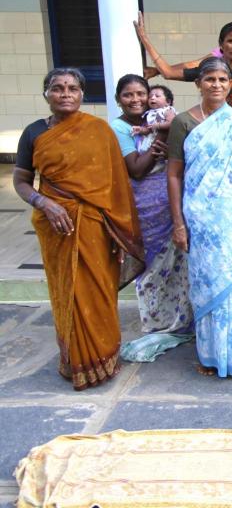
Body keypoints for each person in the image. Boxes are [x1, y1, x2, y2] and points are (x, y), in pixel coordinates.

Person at [13, 68, 142, 390]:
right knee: (66, 291)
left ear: (83, 94)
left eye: (72, 88)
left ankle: (104, 356)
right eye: (58, 88)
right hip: (55, 224)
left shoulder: (98, 130)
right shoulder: (33, 133)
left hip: (95, 225)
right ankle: (75, 359)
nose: (66, 93)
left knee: (96, 289)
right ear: (46, 94)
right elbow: (21, 180)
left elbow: (116, 184)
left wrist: (116, 226)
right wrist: (44, 203)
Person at [166, 57, 232, 377]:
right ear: (198, 83)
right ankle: (209, 355)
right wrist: (178, 223)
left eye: (223, 80)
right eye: (210, 79)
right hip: (201, 219)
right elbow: (173, 176)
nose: (217, 85)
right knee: (207, 283)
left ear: (230, 84)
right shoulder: (183, 122)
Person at [111, 75, 192, 343]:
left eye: (140, 94)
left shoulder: (157, 119)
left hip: (171, 201)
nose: (135, 100)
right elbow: (135, 168)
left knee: (177, 262)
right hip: (144, 204)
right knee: (150, 265)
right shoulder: (120, 128)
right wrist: (156, 149)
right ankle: (156, 322)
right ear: (118, 100)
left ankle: (180, 319)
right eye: (128, 95)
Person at [134, 17, 232, 108]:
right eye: (231, 41)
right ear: (220, 43)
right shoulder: (208, 69)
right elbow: (168, 73)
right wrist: (144, 38)